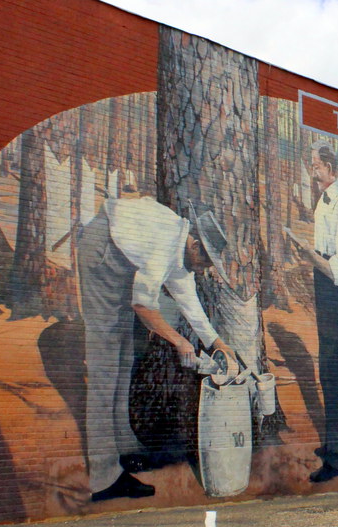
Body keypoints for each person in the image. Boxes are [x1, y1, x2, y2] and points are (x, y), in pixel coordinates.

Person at [77, 193, 230, 502]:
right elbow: (143, 306)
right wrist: (179, 341)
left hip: (118, 256)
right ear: (195, 245)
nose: (203, 269)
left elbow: (190, 302)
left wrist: (217, 343)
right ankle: (104, 479)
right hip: (102, 253)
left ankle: (126, 451)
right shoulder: (165, 245)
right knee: (106, 368)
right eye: (205, 262)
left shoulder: (180, 249)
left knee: (123, 360)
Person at [289, 140, 338, 483]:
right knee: (324, 368)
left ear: (331, 168)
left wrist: (308, 255)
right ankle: (330, 443)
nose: (312, 171)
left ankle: (335, 460)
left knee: (329, 373)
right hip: (322, 285)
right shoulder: (325, 200)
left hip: (333, 292)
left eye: (316, 166)